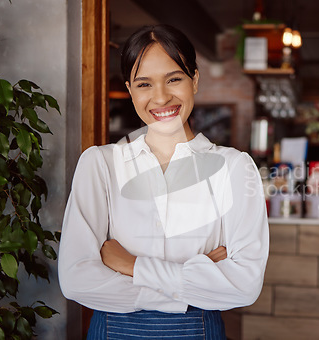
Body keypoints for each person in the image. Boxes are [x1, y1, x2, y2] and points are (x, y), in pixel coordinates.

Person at [58, 24, 269, 339]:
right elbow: (76, 280)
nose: (161, 97)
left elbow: (244, 286)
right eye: (144, 84)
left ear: (194, 80)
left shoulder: (235, 168)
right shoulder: (100, 164)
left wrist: (132, 266)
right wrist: (194, 275)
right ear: (129, 90)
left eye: (174, 79)